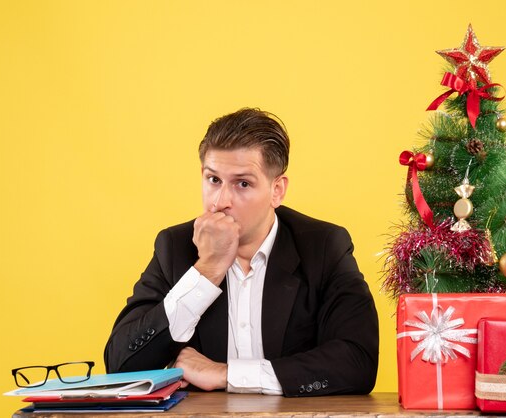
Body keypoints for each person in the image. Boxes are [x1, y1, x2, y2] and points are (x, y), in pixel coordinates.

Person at [104, 108, 379, 396]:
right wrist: (206, 270)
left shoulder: (323, 246)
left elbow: (357, 361)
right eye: (213, 180)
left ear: (277, 190)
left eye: (243, 184)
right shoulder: (174, 246)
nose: (221, 201)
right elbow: (121, 366)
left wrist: (226, 374)